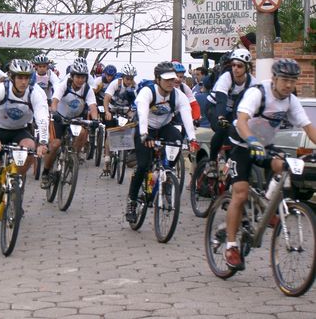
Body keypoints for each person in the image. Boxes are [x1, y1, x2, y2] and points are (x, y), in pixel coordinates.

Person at [224, 59, 316, 270]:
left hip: (265, 145)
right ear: (274, 78)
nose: (288, 85)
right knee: (240, 192)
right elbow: (243, 119)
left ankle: (266, 205)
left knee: (284, 166)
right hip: (241, 144)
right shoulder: (258, 93)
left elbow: (308, 128)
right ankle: (231, 246)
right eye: (284, 80)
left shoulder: (291, 100)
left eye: (293, 81)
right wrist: (252, 141)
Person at [0, 59, 49, 236]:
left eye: (27, 77)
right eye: (19, 78)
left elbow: (42, 116)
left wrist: (44, 142)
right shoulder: (0, 89)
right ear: (11, 77)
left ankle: (16, 185)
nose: (23, 82)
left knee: (30, 149)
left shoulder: (35, 92)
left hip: (20, 131)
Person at [125, 61, 198, 223]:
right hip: (146, 129)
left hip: (164, 127)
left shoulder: (178, 95)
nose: (171, 83)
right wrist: (144, 135)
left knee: (177, 139)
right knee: (143, 165)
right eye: (167, 80)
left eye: (173, 79)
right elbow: (142, 113)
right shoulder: (147, 92)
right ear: (157, 79)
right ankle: (132, 201)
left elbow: (187, 115)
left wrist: (192, 139)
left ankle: (166, 176)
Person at [40, 58, 99, 189]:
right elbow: (55, 100)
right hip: (60, 118)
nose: (80, 80)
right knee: (55, 144)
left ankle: (74, 157)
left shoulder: (87, 89)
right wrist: (54, 111)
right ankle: (46, 171)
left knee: (84, 132)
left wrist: (95, 119)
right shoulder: (64, 85)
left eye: (83, 77)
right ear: (72, 76)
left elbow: (93, 106)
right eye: (77, 76)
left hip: (76, 119)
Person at [205, 49, 257, 177]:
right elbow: (221, 100)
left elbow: (254, 105)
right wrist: (221, 117)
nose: (235, 69)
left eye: (239, 66)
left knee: (237, 133)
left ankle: (229, 165)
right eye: (233, 65)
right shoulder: (226, 77)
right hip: (214, 107)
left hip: (234, 111)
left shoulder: (253, 83)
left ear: (247, 68)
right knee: (222, 128)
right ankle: (212, 161)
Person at [102, 63, 137, 172]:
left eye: (131, 79)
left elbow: (137, 102)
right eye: (127, 78)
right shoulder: (115, 84)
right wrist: (107, 111)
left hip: (126, 110)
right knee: (110, 131)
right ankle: (107, 158)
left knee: (128, 129)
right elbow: (106, 98)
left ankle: (125, 153)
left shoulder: (135, 86)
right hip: (113, 109)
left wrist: (132, 112)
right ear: (123, 77)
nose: (129, 81)